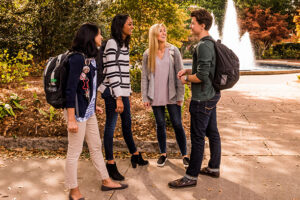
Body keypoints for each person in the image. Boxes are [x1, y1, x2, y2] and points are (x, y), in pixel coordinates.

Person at [64, 23, 128, 200]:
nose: (101, 38)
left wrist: (93, 104)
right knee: (74, 151)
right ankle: (73, 190)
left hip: (88, 110)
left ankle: (106, 180)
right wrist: (71, 118)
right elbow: (70, 90)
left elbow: (87, 87)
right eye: (99, 35)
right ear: (91, 37)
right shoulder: (76, 59)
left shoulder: (89, 58)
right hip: (76, 113)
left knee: (95, 146)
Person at [168, 8, 221, 188]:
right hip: (211, 95)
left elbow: (203, 76)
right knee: (212, 132)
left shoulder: (204, 45)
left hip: (202, 99)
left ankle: (191, 176)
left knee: (198, 137)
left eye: (193, 23)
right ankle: (214, 168)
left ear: (202, 25)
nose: (190, 26)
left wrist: (185, 79)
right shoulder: (209, 43)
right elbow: (205, 70)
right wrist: (188, 70)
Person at [99, 14, 148, 181]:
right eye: (130, 24)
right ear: (121, 26)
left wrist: (127, 93)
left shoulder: (124, 45)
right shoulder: (112, 43)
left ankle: (134, 154)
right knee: (110, 128)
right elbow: (112, 71)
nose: (132, 26)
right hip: (113, 93)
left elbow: (123, 72)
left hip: (122, 92)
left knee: (127, 124)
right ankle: (110, 164)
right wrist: (118, 97)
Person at [141, 23, 189, 167]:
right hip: (155, 95)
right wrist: (145, 97)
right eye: (160, 31)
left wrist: (181, 96)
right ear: (154, 34)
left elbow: (180, 73)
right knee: (160, 124)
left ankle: (185, 155)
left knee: (177, 123)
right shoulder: (147, 54)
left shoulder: (173, 50)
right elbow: (144, 77)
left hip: (172, 95)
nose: (164, 33)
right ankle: (163, 154)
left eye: (165, 30)